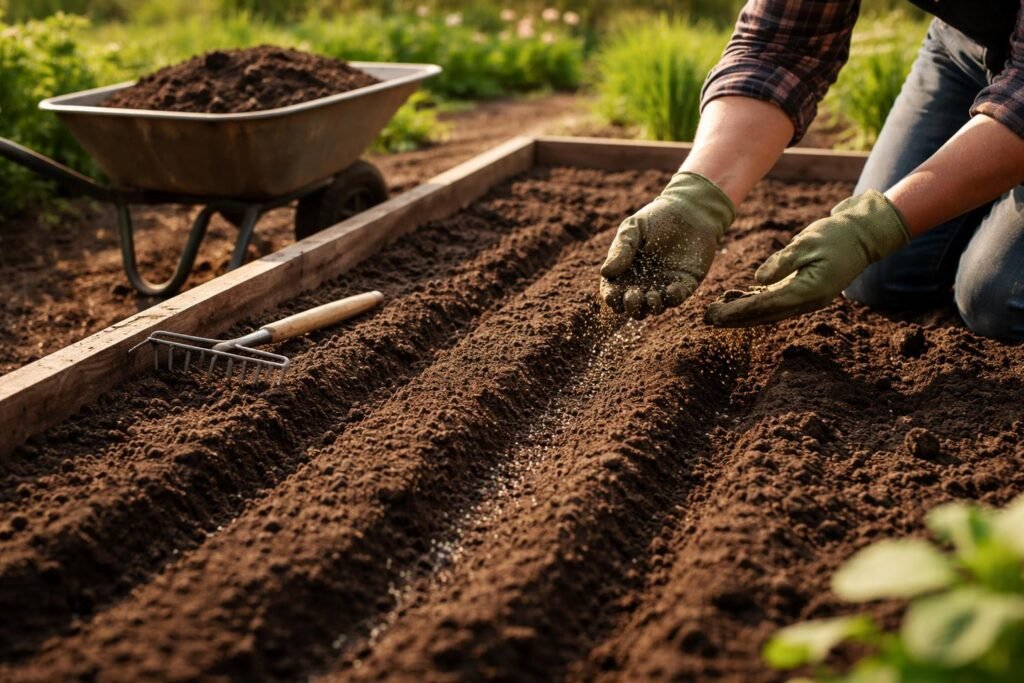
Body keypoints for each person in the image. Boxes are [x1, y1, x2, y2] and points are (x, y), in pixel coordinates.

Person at [599, 0, 1024, 341]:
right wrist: (696, 197)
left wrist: (869, 228)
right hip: (966, 44)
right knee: (876, 278)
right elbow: (781, 46)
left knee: (995, 299)